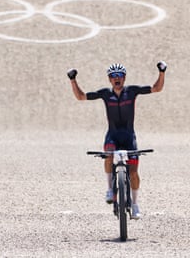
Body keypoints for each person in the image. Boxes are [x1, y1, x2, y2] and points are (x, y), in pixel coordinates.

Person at [67, 62, 167, 219]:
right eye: (113, 76)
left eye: (119, 75)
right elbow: (81, 97)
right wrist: (72, 80)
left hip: (129, 136)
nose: (116, 78)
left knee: (133, 173)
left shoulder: (132, 91)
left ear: (124, 77)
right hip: (112, 135)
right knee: (108, 154)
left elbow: (157, 89)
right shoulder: (106, 94)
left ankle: (134, 204)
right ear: (109, 79)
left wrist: (162, 72)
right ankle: (109, 189)